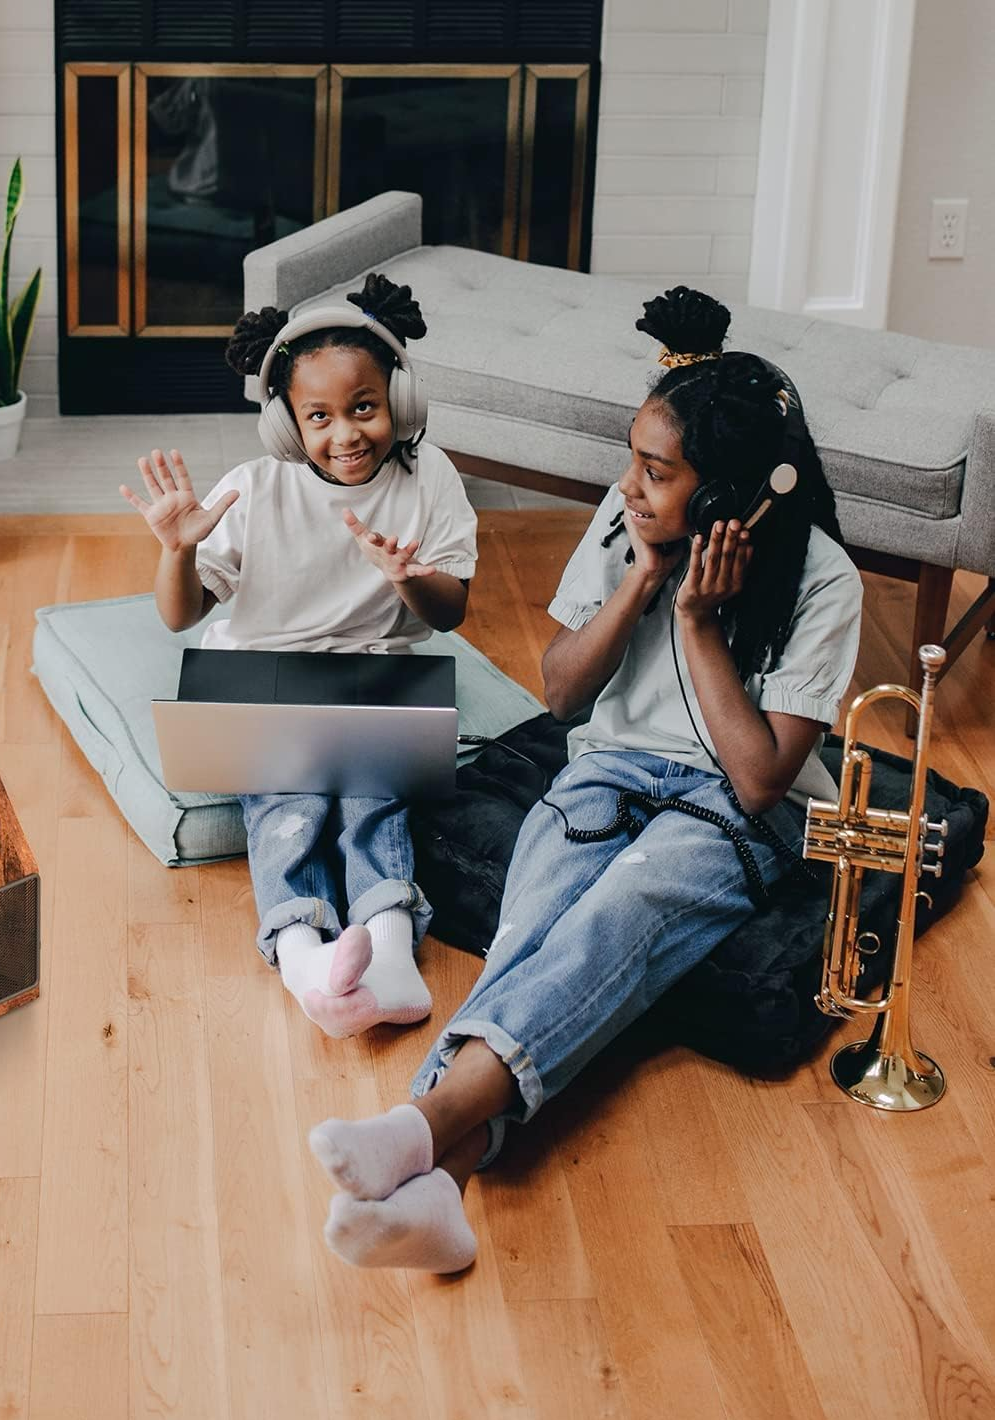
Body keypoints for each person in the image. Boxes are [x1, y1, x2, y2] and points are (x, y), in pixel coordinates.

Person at [307, 285, 863, 1270]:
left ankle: (420, 1126)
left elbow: (761, 779)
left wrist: (695, 621)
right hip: (604, 769)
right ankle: (447, 1173)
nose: (628, 486)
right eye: (633, 463)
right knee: (536, 928)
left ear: (726, 497)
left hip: (729, 813)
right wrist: (647, 576)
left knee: (621, 916)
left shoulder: (823, 579)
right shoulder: (628, 517)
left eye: (655, 473)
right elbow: (561, 695)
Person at [122, 273, 478, 1037]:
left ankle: (388, 956)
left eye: (364, 408)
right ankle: (307, 961)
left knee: (371, 798)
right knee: (290, 806)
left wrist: (412, 580)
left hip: (376, 670)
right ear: (287, 423)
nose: (344, 434)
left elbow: (452, 614)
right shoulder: (254, 486)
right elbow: (180, 615)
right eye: (318, 416)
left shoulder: (432, 476)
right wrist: (177, 553)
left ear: (401, 402)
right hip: (259, 672)